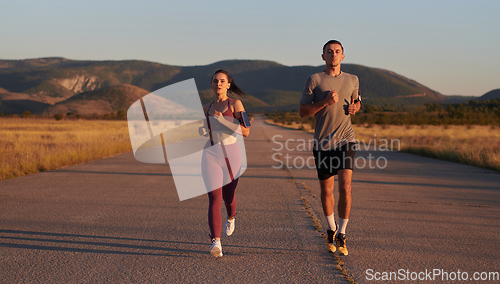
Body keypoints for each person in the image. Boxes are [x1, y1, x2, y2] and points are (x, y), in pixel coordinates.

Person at [298, 40, 361, 256]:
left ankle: (342, 233)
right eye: (329, 52)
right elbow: (303, 111)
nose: (333, 55)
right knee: (327, 190)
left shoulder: (353, 79)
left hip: (346, 140)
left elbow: (357, 100)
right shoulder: (314, 80)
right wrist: (324, 102)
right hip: (323, 143)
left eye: (337, 52)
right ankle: (331, 229)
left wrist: (355, 107)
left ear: (343, 56)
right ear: (323, 56)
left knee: (345, 187)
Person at [199, 69, 250, 257]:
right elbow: (207, 129)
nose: (218, 84)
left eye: (222, 81)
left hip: (231, 156)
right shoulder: (207, 107)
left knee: (229, 198)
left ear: (228, 84)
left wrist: (224, 122)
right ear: (211, 85)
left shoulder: (235, 104)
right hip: (210, 154)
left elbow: (246, 132)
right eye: (215, 81)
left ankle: (231, 216)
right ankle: (216, 242)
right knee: (214, 198)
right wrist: (203, 130)